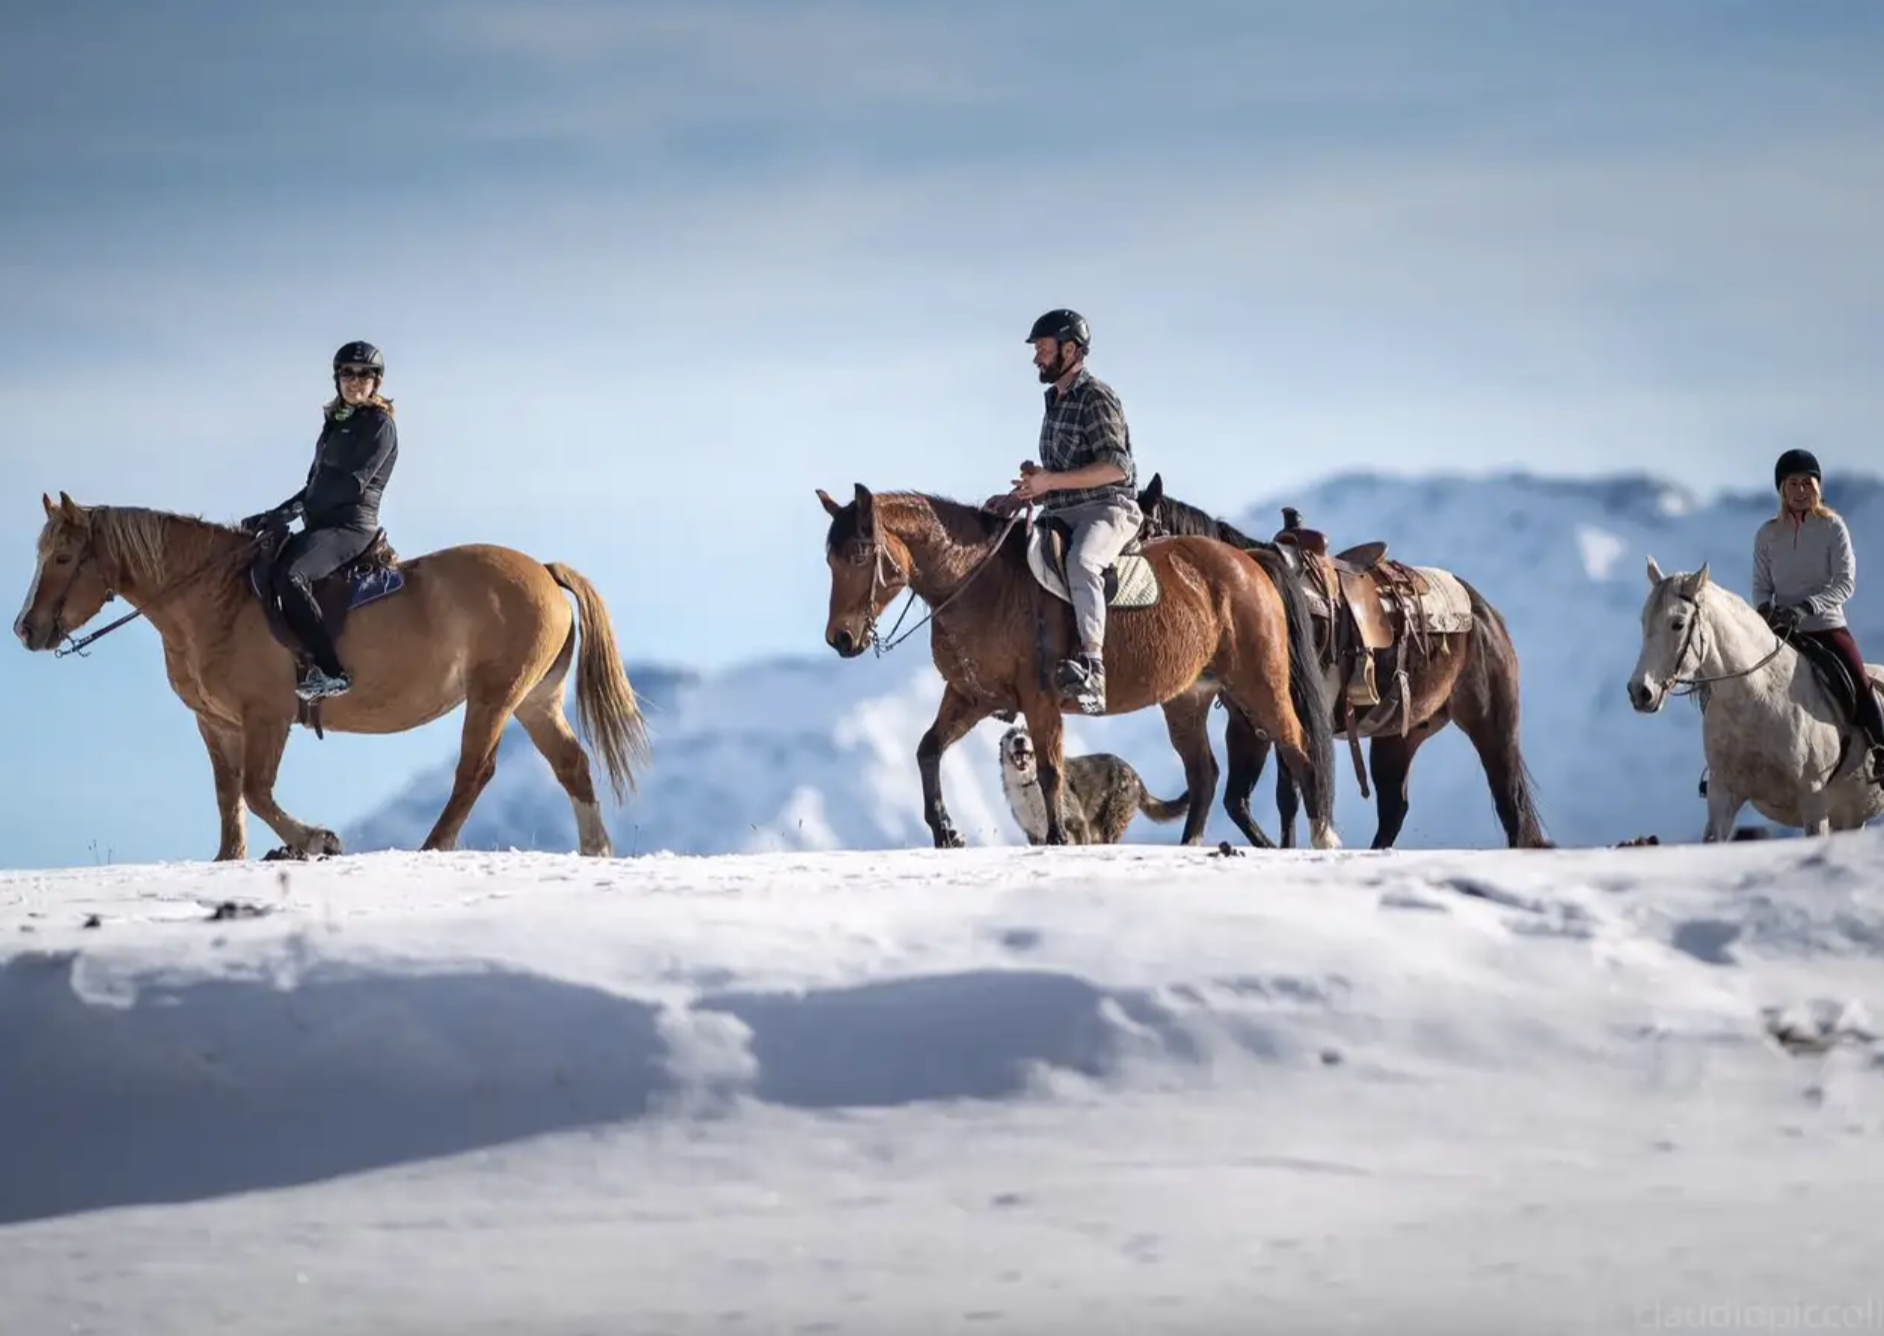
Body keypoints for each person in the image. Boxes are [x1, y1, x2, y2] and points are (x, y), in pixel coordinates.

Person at [988, 308, 1141, 714]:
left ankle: (1094, 667)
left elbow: (1115, 467)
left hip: (1109, 508)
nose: (1036, 358)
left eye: (1042, 349)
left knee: (1083, 562)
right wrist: (1023, 496)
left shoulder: (1097, 397)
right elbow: (1061, 474)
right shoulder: (1053, 402)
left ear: (1070, 350)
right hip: (1062, 509)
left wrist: (1049, 482)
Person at [240, 340, 400, 702]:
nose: (355, 381)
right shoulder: (334, 424)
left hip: (351, 527)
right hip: (321, 525)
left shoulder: (379, 425)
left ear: (376, 381)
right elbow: (314, 485)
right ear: (337, 379)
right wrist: (275, 513)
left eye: (364, 375)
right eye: (348, 373)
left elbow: (351, 483)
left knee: (292, 575)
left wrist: (293, 512)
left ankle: (331, 672)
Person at [1752, 447, 1883, 787]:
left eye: (1806, 483)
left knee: (1859, 682)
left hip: (1825, 626)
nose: (1799, 491)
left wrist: (1808, 607)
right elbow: (1761, 586)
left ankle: (1882, 750)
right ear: (1781, 489)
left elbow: (1844, 583)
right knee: (1742, 682)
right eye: (1792, 484)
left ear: (1817, 487)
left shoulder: (1833, 527)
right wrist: (1766, 610)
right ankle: (1731, 765)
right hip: (1781, 630)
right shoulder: (1767, 535)